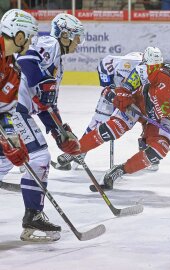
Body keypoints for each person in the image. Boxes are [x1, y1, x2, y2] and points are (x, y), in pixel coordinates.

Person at [76, 53, 170, 190]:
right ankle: (75, 150)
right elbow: (141, 71)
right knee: (114, 128)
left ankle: (118, 171)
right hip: (137, 102)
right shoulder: (168, 71)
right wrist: (125, 90)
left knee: (160, 149)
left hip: (161, 117)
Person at [10, 13, 84, 242]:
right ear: (64, 35)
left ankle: (33, 214)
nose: (78, 43)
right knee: (40, 155)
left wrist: (59, 131)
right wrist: (43, 82)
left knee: (4, 163)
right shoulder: (49, 43)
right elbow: (25, 61)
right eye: (76, 37)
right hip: (14, 108)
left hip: (16, 109)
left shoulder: (58, 62)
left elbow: (47, 105)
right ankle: (33, 214)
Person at [54, 47, 164, 171]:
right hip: (115, 92)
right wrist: (110, 88)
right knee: (98, 121)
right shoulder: (128, 64)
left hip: (136, 97)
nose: (154, 69)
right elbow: (105, 65)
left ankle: (148, 152)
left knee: (151, 120)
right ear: (144, 62)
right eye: (151, 66)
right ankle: (79, 151)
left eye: (157, 66)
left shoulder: (161, 73)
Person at [0, 10, 38, 185]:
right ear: (20, 36)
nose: (30, 43)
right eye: (29, 38)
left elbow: (5, 110)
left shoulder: (12, 67)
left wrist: (11, 136)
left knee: (7, 151)